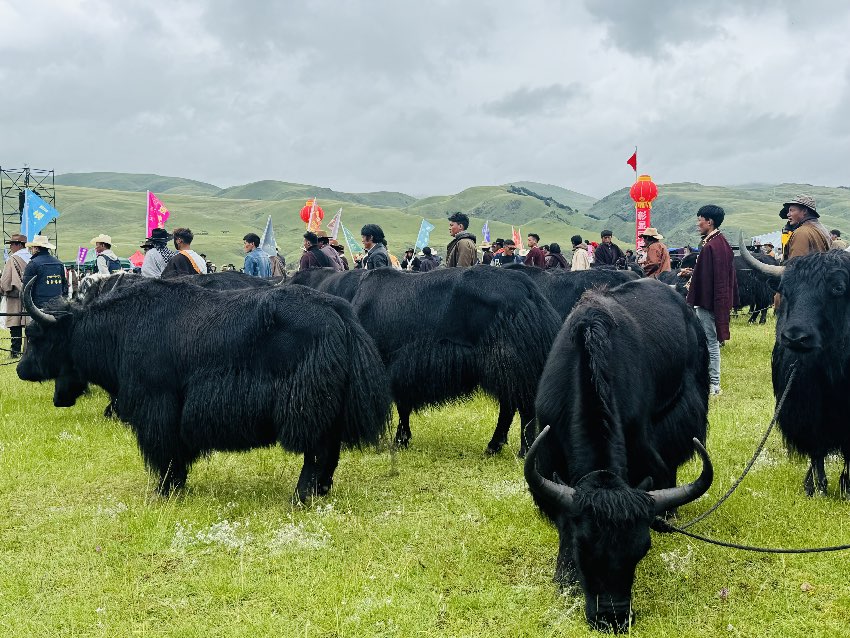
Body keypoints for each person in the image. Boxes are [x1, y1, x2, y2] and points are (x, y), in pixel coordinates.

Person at [680, 205, 739, 396]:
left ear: (710, 222)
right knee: (707, 341)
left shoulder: (714, 245)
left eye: (700, 219)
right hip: (708, 299)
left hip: (709, 302)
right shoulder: (716, 243)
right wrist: (693, 273)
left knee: (710, 342)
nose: (698, 223)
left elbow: (719, 280)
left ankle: (714, 384)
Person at [0, 234, 31, 357]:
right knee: (29, 323)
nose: (11, 247)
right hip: (31, 295)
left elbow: (6, 281)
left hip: (15, 296)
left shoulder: (12, 259)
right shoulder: (32, 257)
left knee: (15, 322)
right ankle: (29, 351)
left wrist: (3, 290)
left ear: (18, 245)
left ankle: (15, 351)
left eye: (12, 244)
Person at [781, 194, 831, 260]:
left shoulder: (801, 233)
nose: (788, 214)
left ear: (804, 211)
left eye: (791, 210)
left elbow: (795, 266)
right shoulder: (822, 229)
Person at [22, 235, 67, 306]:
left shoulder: (33, 264)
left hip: (39, 306)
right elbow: (64, 286)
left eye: (32, 248)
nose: (31, 250)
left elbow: (26, 289)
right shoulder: (59, 263)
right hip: (58, 305)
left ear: (36, 248)